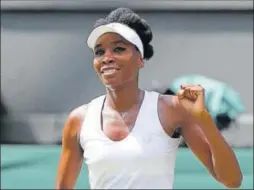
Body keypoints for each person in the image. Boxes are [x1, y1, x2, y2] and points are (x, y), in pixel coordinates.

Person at [55, 8, 242, 189]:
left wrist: (203, 118)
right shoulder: (79, 120)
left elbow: (232, 180)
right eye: (99, 52)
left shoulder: (172, 110)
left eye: (119, 49)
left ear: (140, 59)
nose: (107, 58)